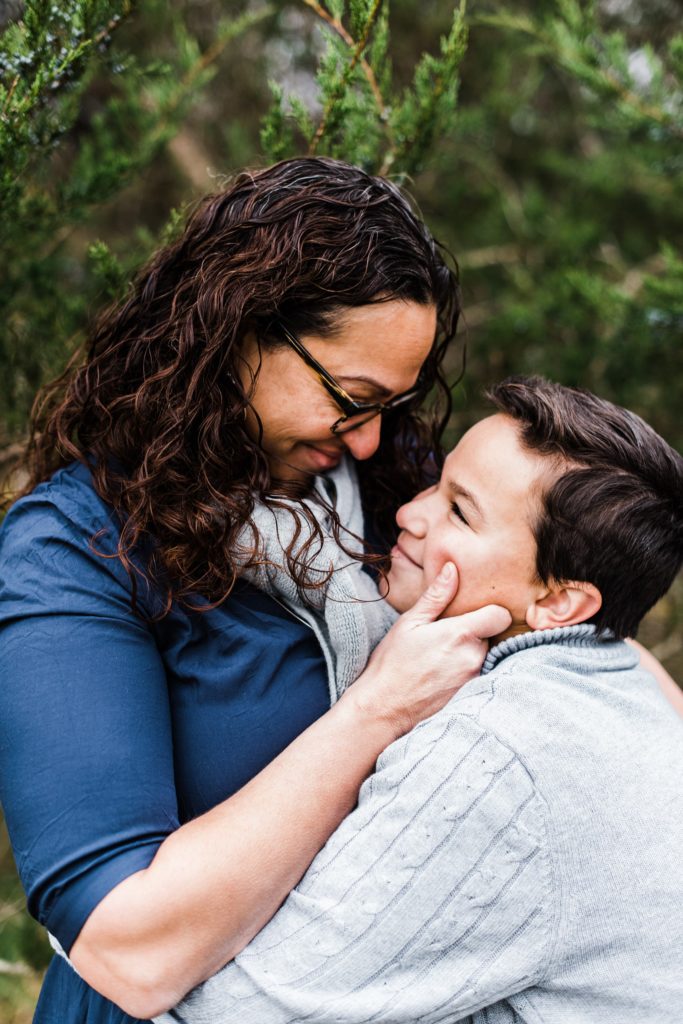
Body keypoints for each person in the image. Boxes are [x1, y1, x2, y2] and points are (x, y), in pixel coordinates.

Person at [0, 157, 513, 1023]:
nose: (367, 441)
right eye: (350, 399)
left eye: (393, 403)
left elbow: (573, 626)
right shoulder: (77, 548)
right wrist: (378, 709)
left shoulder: (400, 495)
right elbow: (126, 946)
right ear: (236, 329)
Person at [159, 377, 683, 1024]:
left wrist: (94, 931)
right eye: (439, 483)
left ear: (557, 603)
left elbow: (247, 1011)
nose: (410, 512)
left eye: (459, 512)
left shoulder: (495, 750)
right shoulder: (620, 693)